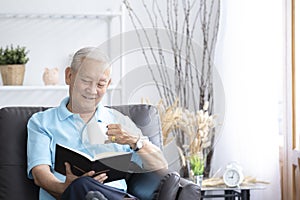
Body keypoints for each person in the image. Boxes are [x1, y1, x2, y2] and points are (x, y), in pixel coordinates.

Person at [27, 47, 168, 200]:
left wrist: (135, 141)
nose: (92, 90)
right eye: (86, 81)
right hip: (69, 196)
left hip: (113, 196)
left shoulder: (119, 122)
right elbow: (40, 174)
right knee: (82, 186)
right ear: (69, 76)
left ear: (108, 84)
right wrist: (66, 187)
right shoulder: (42, 122)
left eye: (100, 84)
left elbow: (161, 166)